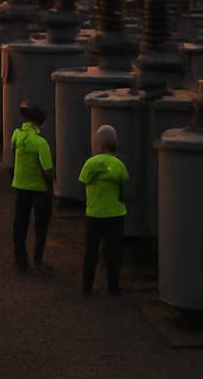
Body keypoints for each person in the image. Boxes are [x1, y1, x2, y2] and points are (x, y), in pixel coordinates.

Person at [79, 124, 129, 296]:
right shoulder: (119, 165)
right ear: (115, 142)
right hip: (115, 215)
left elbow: (84, 181)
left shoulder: (90, 164)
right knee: (113, 253)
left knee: (91, 250)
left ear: (98, 143)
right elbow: (123, 193)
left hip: (94, 214)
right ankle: (113, 288)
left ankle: (87, 286)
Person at [11, 102, 54, 270]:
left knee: (20, 221)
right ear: (40, 123)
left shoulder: (16, 135)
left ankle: (20, 257)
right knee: (41, 224)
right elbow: (48, 170)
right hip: (39, 189)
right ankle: (38, 257)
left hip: (20, 185)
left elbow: (13, 152)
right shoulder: (41, 143)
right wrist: (49, 186)